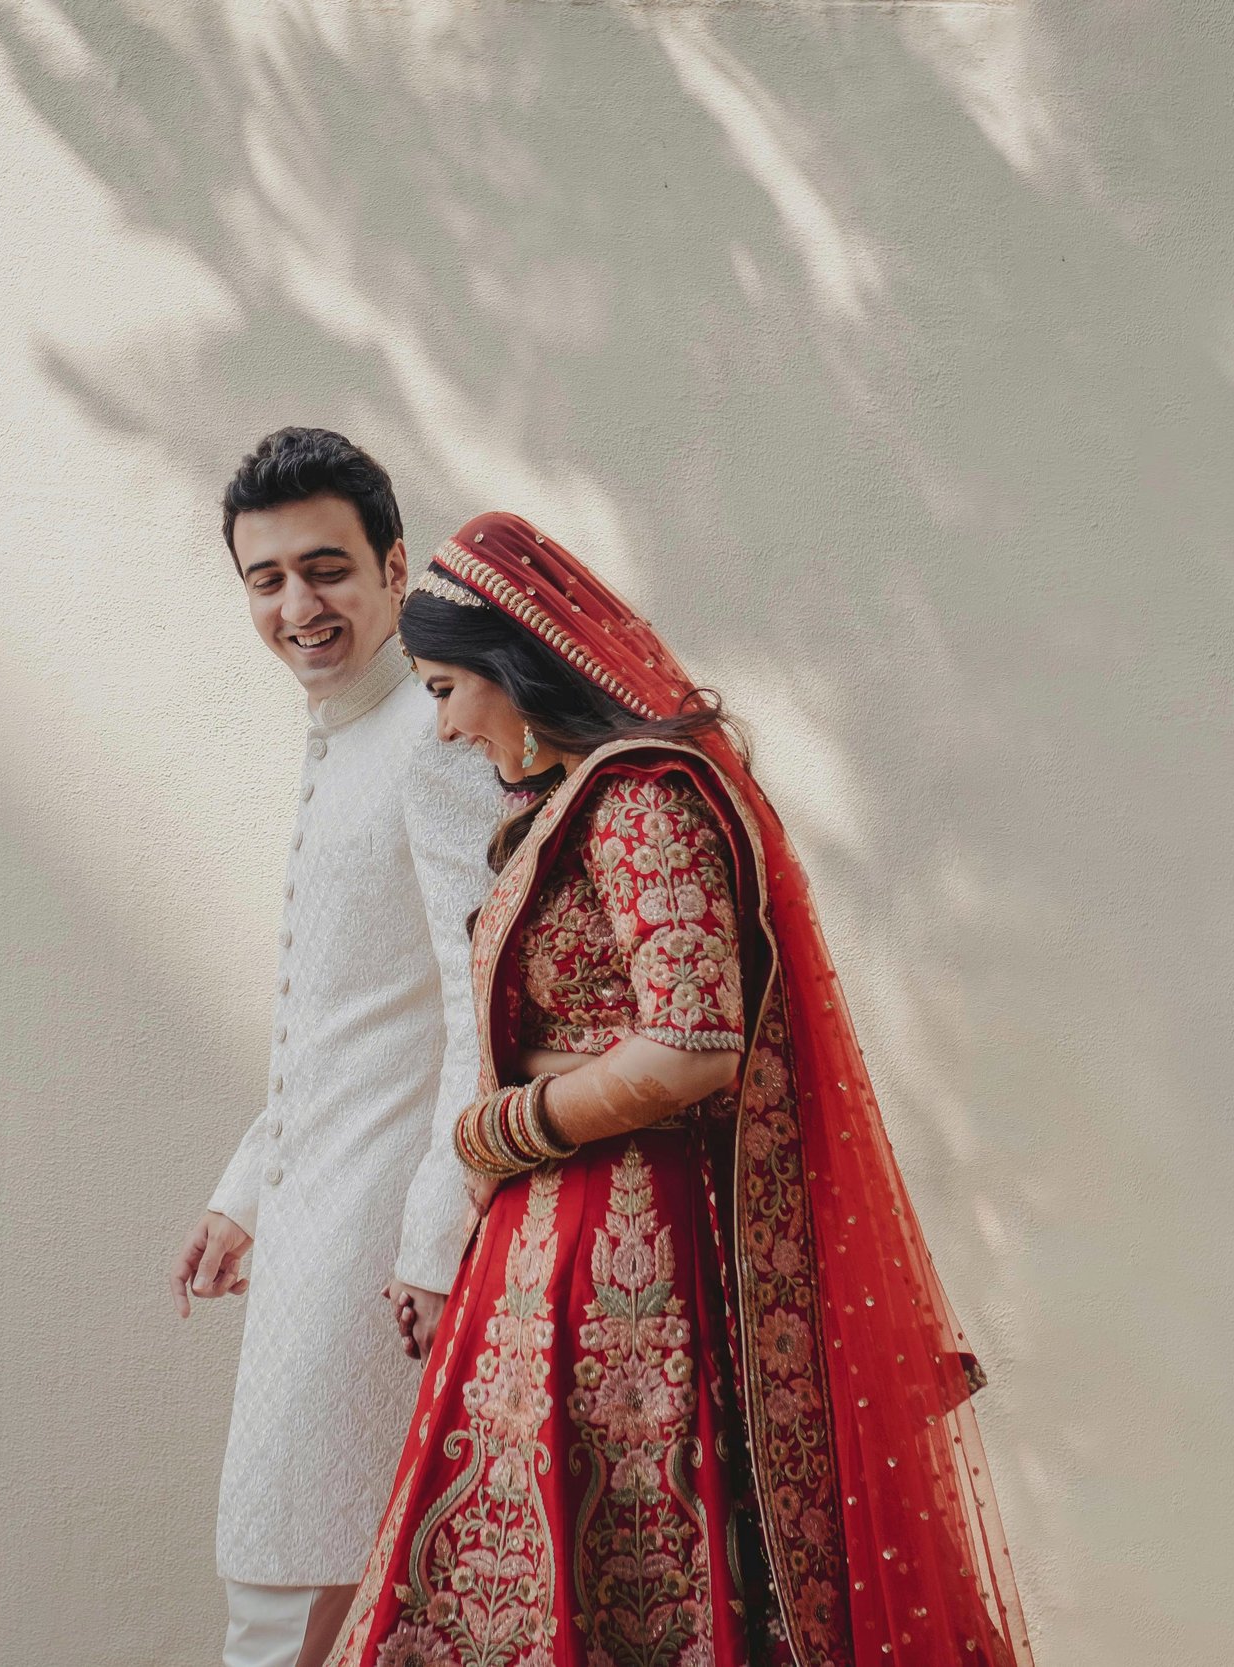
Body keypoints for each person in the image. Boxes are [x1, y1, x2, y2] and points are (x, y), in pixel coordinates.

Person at [332, 513, 1036, 1667]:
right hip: (555, 1245)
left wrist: (498, 1125)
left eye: (450, 688)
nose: (448, 726)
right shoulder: (575, 802)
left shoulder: (642, 798)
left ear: (515, 668)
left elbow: (695, 1042)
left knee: (654, 1566)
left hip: (641, 1261)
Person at [175, 430, 501, 1667]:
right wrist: (245, 1189)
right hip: (318, 1213)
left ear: (394, 567)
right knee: (314, 1577)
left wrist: (430, 1235)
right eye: (266, 580)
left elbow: (479, 1012)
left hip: (385, 1236)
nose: (297, 606)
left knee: (300, 1577)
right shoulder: (342, 735)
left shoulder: (433, 739)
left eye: (325, 569)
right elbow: (342, 1007)